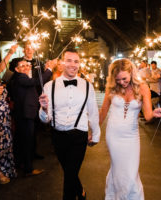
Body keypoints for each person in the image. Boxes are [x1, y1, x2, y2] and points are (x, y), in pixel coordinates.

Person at [99, 58, 161, 200]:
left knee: (131, 172)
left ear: (131, 72)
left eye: (124, 78)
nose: (121, 82)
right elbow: (103, 111)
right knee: (117, 169)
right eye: (118, 80)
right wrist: (94, 131)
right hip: (113, 135)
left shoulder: (143, 87)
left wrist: (154, 114)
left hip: (131, 137)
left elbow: (147, 115)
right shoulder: (111, 87)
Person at [39, 48, 100, 200]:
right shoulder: (49, 86)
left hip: (79, 134)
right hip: (58, 135)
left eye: (76, 61)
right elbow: (45, 119)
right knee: (69, 171)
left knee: (70, 174)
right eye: (69, 60)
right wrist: (44, 109)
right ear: (62, 63)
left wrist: (96, 134)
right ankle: (80, 191)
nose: (73, 65)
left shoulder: (87, 86)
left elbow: (93, 112)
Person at [11, 58, 52, 176]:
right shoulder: (20, 77)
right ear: (16, 69)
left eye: (27, 65)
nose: (26, 67)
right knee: (27, 141)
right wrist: (49, 70)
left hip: (28, 113)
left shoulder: (23, 77)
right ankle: (28, 169)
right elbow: (38, 81)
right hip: (25, 114)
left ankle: (21, 162)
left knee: (25, 140)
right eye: (22, 66)